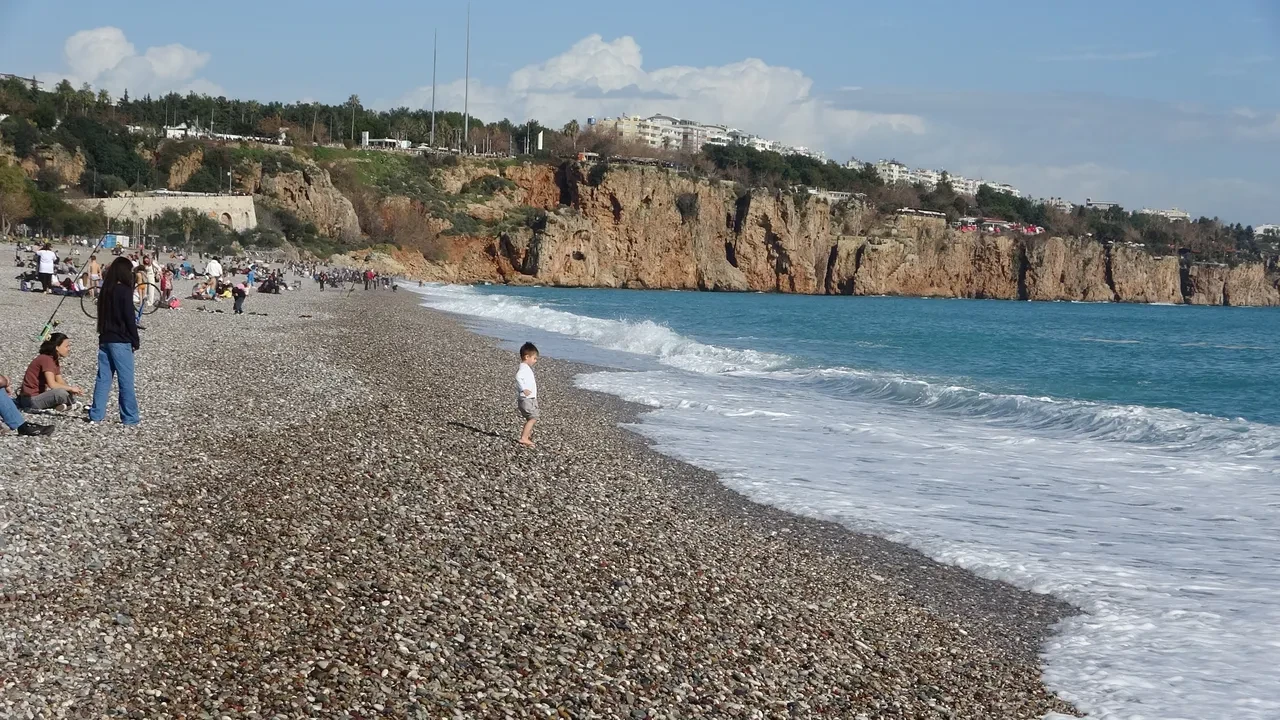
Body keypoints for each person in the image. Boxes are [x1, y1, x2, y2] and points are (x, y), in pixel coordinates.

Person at [88, 257, 141, 426]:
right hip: (121, 340)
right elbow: (129, 318)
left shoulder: (105, 290)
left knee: (103, 378)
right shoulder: (123, 290)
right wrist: (135, 339)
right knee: (125, 380)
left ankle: (96, 414)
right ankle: (130, 417)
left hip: (105, 338)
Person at [17, 332, 84, 411]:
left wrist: (71, 390)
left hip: (38, 397)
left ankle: (64, 405)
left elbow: (59, 381)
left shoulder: (53, 360)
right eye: (66, 346)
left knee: (65, 392)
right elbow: (52, 384)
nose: (69, 349)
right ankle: (69, 404)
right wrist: (70, 389)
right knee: (60, 393)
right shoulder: (46, 360)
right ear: (57, 347)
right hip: (30, 400)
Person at [515, 342, 540, 447]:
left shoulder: (526, 368)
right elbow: (518, 377)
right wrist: (523, 389)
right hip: (526, 399)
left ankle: (527, 434)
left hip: (529, 399)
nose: (535, 361)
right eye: (534, 358)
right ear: (527, 357)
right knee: (532, 418)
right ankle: (524, 437)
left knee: (531, 417)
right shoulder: (524, 368)